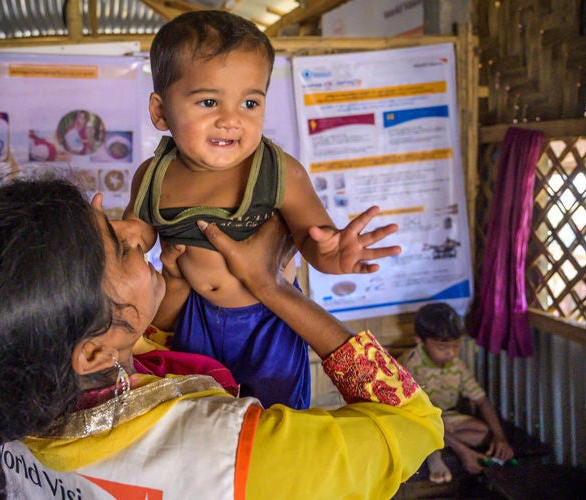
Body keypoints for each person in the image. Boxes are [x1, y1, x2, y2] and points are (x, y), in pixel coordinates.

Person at [0, 178, 442, 499]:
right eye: (118, 245)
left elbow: (147, 348)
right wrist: (271, 288)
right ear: (93, 352)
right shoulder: (233, 455)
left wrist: (172, 287)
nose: (138, 229)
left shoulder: (1, 403)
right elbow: (413, 423)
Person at [123, 10, 401, 409]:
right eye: (208, 101)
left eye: (250, 102)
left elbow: (312, 237)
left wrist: (331, 254)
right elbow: (141, 230)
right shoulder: (153, 175)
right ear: (161, 112)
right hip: (194, 317)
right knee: (203, 413)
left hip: (270, 320)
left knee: (277, 414)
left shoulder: (277, 172)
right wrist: (124, 235)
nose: (231, 120)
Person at [399, 302, 515, 483]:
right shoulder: (410, 366)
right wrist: (464, 452)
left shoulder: (456, 365)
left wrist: (501, 438)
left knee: (484, 433)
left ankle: (435, 446)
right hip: (415, 421)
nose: (451, 353)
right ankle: (436, 454)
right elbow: (413, 416)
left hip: (444, 420)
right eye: (442, 348)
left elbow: (481, 400)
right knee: (421, 428)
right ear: (420, 341)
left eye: (456, 346)